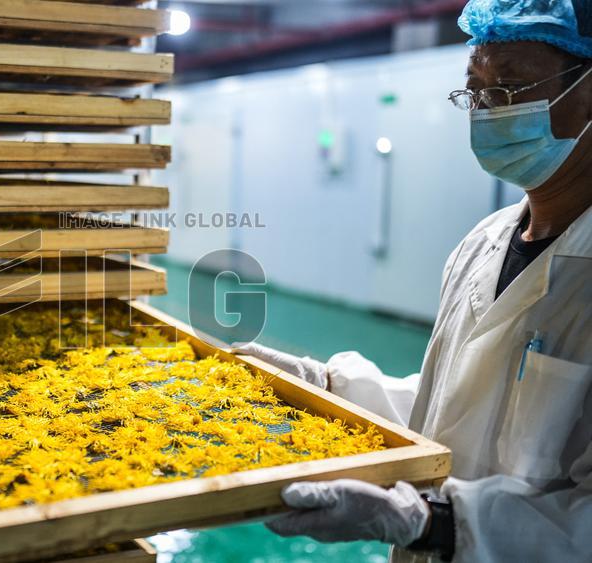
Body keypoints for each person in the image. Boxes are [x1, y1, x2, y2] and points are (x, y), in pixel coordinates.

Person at [233, 1, 592, 561]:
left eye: (511, 86)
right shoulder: (484, 242)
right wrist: (326, 389)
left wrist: (438, 522)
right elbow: (449, 409)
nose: (485, 110)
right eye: (474, 89)